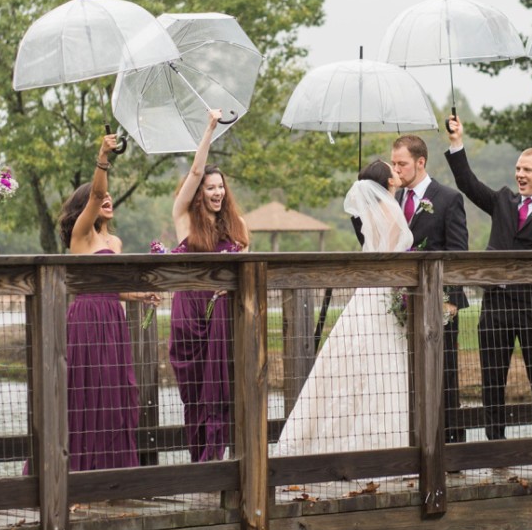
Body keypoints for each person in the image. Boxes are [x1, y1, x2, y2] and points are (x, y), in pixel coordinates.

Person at [444, 116, 532, 439]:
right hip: (496, 306)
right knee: (492, 379)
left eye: (527, 170)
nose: (519, 174)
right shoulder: (503, 199)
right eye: (518, 169)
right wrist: (457, 141)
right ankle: (495, 444)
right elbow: (468, 183)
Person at [275, 160, 412, 456]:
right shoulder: (391, 210)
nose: (397, 172)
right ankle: (382, 447)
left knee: (357, 362)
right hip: (385, 289)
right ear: (387, 180)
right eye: (393, 169)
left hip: (367, 292)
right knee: (381, 366)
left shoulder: (371, 212)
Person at [58, 131, 152, 470]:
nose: (108, 199)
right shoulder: (81, 235)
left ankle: (114, 471)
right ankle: (78, 467)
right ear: (89, 206)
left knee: (117, 393)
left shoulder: (115, 242)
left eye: (111, 198)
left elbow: (112, 287)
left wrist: (141, 294)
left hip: (113, 318)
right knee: (85, 392)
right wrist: (103, 155)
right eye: (102, 198)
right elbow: (97, 190)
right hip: (85, 319)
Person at [169, 109, 249, 462]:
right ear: (199, 192)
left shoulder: (237, 225)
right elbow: (197, 169)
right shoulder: (184, 218)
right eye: (210, 188)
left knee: (222, 389)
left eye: (221, 188)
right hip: (189, 314)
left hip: (222, 318)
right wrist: (209, 129)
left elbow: (246, 270)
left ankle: (220, 461)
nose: (217, 193)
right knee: (194, 391)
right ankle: (198, 459)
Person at [390, 135, 470, 444]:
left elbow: (458, 252)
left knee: (444, 375)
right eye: (394, 163)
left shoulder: (448, 198)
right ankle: (415, 443)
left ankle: (452, 445)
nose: (396, 169)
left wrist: (449, 300)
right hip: (401, 303)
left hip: (440, 304)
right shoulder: (393, 198)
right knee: (407, 375)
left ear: (420, 162)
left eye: (402, 164)